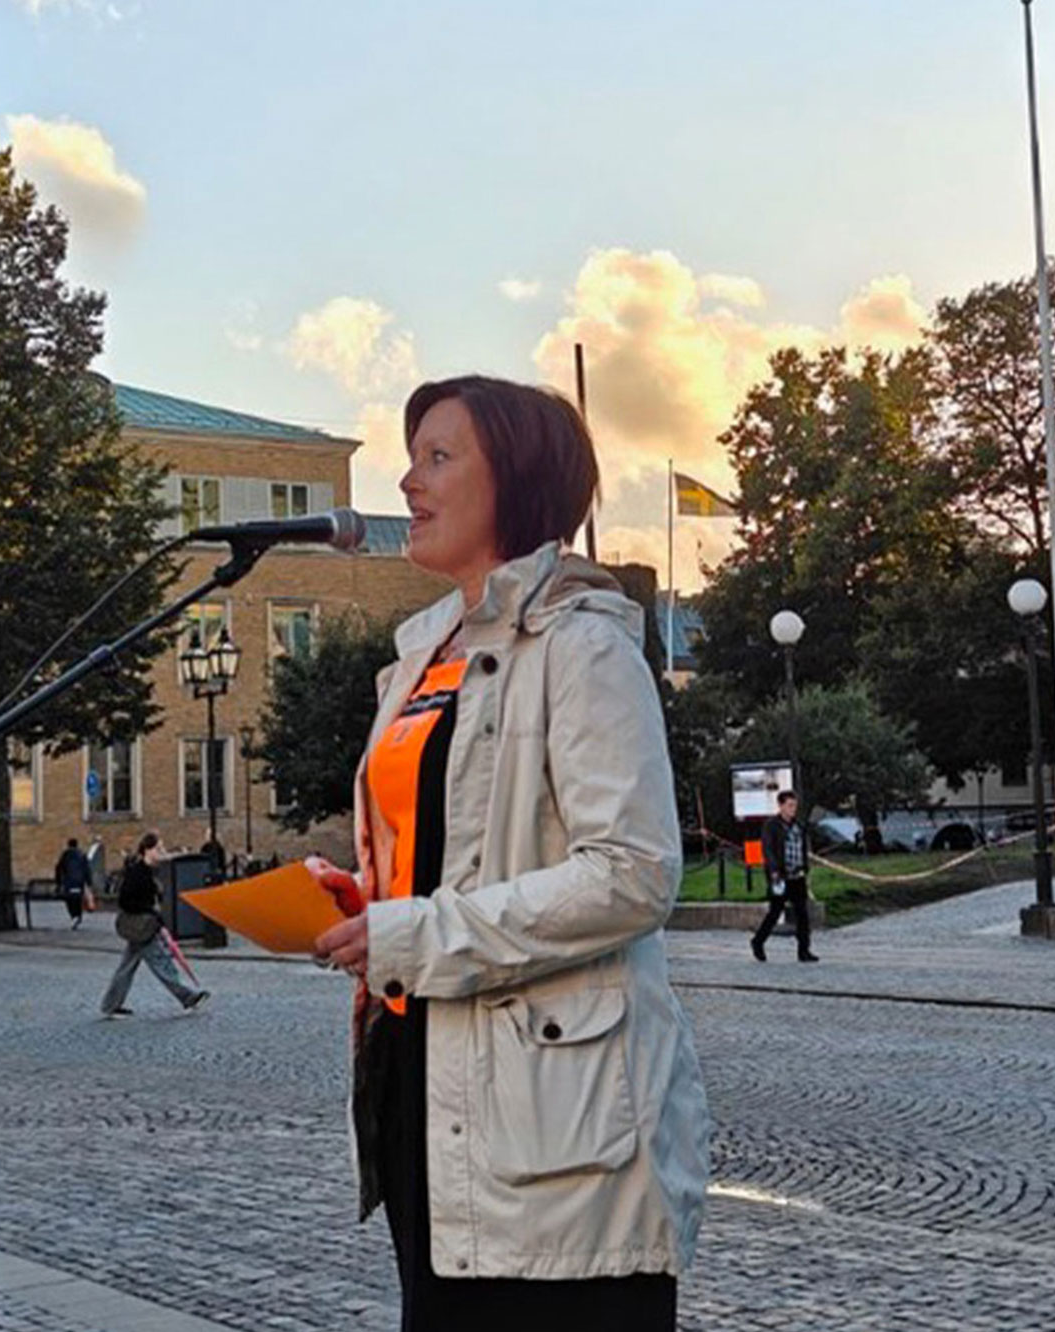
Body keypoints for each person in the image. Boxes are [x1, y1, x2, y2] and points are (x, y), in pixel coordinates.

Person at [313, 375, 710, 1332]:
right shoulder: (418, 660)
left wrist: (413, 933)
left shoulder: (581, 647)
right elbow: (454, 861)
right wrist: (365, 901)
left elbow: (633, 873)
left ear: (516, 481)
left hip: (555, 1113)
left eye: (438, 457)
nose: (408, 482)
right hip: (421, 1071)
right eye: (412, 458)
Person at [100, 831, 211, 1017]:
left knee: (127, 967)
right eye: (158, 848)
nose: (161, 851)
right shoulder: (137, 872)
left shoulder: (150, 871)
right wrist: (150, 913)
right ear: (147, 850)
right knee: (161, 962)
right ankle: (187, 997)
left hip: (143, 926)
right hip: (142, 926)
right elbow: (126, 901)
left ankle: (110, 1005)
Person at [751, 790, 819, 963]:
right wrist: (774, 870)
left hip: (797, 875)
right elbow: (768, 849)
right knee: (775, 912)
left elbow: (803, 847)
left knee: (802, 913)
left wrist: (805, 867)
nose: (793, 809)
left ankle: (804, 950)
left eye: (794, 806)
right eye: (789, 805)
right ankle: (758, 941)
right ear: (781, 806)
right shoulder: (772, 826)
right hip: (780, 876)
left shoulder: (798, 826)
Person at [54, 837, 92, 929]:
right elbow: (87, 869)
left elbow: (59, 868)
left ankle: (73, 915)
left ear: (68, 845)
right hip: (79, 881)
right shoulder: (82, 855)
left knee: (69, 899)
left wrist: (58, 882)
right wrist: (89, 882)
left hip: (69, 881)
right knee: (78, 899)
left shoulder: (65, 855)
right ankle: (78, 915)